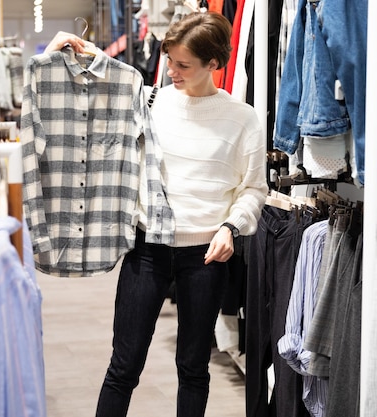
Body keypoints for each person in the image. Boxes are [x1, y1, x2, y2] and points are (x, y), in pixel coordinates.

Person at [44, 11, 268, 417]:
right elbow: (107, 79)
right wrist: (80, 50)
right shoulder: (154, 101)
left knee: (194, 368)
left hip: (205, 256)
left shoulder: (242, 118)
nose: (172, 71)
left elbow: (253, 189)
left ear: (214, 65)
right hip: (148, 248)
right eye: (169, 61)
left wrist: (232, 228)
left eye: (183, 65)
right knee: (124, 365)